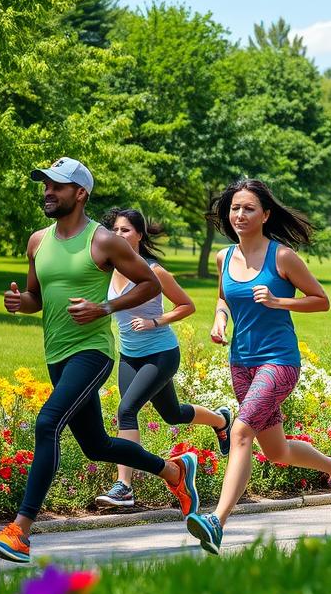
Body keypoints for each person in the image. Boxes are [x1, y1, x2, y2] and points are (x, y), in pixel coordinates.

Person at [0, 158, 200, 563]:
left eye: (57, 186)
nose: (48, 191)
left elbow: (149, 282)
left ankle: (20, 532)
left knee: (47, 423)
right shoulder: (36, 241)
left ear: (80, 193)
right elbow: (36, 299)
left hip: (92, 352)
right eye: (45, 184)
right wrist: (19, 302)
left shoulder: (103, 241)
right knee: (95, 445)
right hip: (57, 353)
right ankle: (174, 471)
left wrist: (104, 307)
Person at [185, 179, 331, 555]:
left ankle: (217, 521)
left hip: (278, 360)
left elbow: (320, 300)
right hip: (241, 362)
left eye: (249, 208)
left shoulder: (281, 257)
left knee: (241, 431)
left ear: (265, 214)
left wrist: (280, 302)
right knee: (277, 450)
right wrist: (219, 320)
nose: (240, 215)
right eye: (235, 208)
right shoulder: (224, 258)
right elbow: (223, 299)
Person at [94, 208, 235, 509]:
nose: (119, 235)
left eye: (126, 230)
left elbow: (187, 305)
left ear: (139, 234)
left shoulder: (153, 270)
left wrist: (155, 321)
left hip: (161, 354)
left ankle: (124, 487)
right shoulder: (108, 269)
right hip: (129, 355)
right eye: (115, 230)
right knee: (171, 413)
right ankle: (221, 419)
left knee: (126, 410)